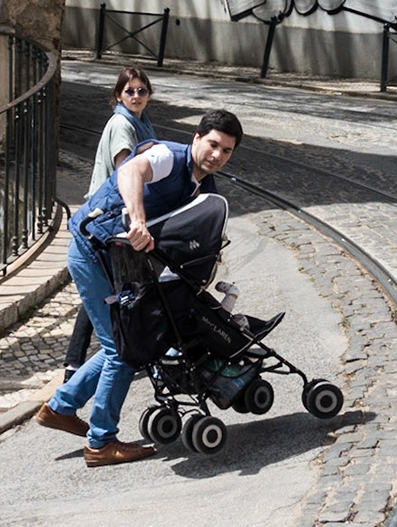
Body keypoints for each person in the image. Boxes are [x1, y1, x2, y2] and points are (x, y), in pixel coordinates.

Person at [35, 110, 244, 466]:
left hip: (121, 263)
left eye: (226, 151)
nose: (217, 155)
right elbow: (130, 171)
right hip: (93, 251)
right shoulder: (168, 157)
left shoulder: (205, 188)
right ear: (196, 138)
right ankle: (100, 443)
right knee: (123, 350)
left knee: (125, 340)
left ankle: (61, 407)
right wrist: (137, 219)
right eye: (213, 144)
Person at [61, 68, 158, 380]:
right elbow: (124, 172)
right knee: (110, 286)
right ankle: (82, 362)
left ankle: (76, 361)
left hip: (109, 215)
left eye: (142, 90)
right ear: (118, 95)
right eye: (130, 91)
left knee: (106, 287)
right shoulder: (123, 125)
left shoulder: (140, 121)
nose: (136, 96)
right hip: (107, 217)